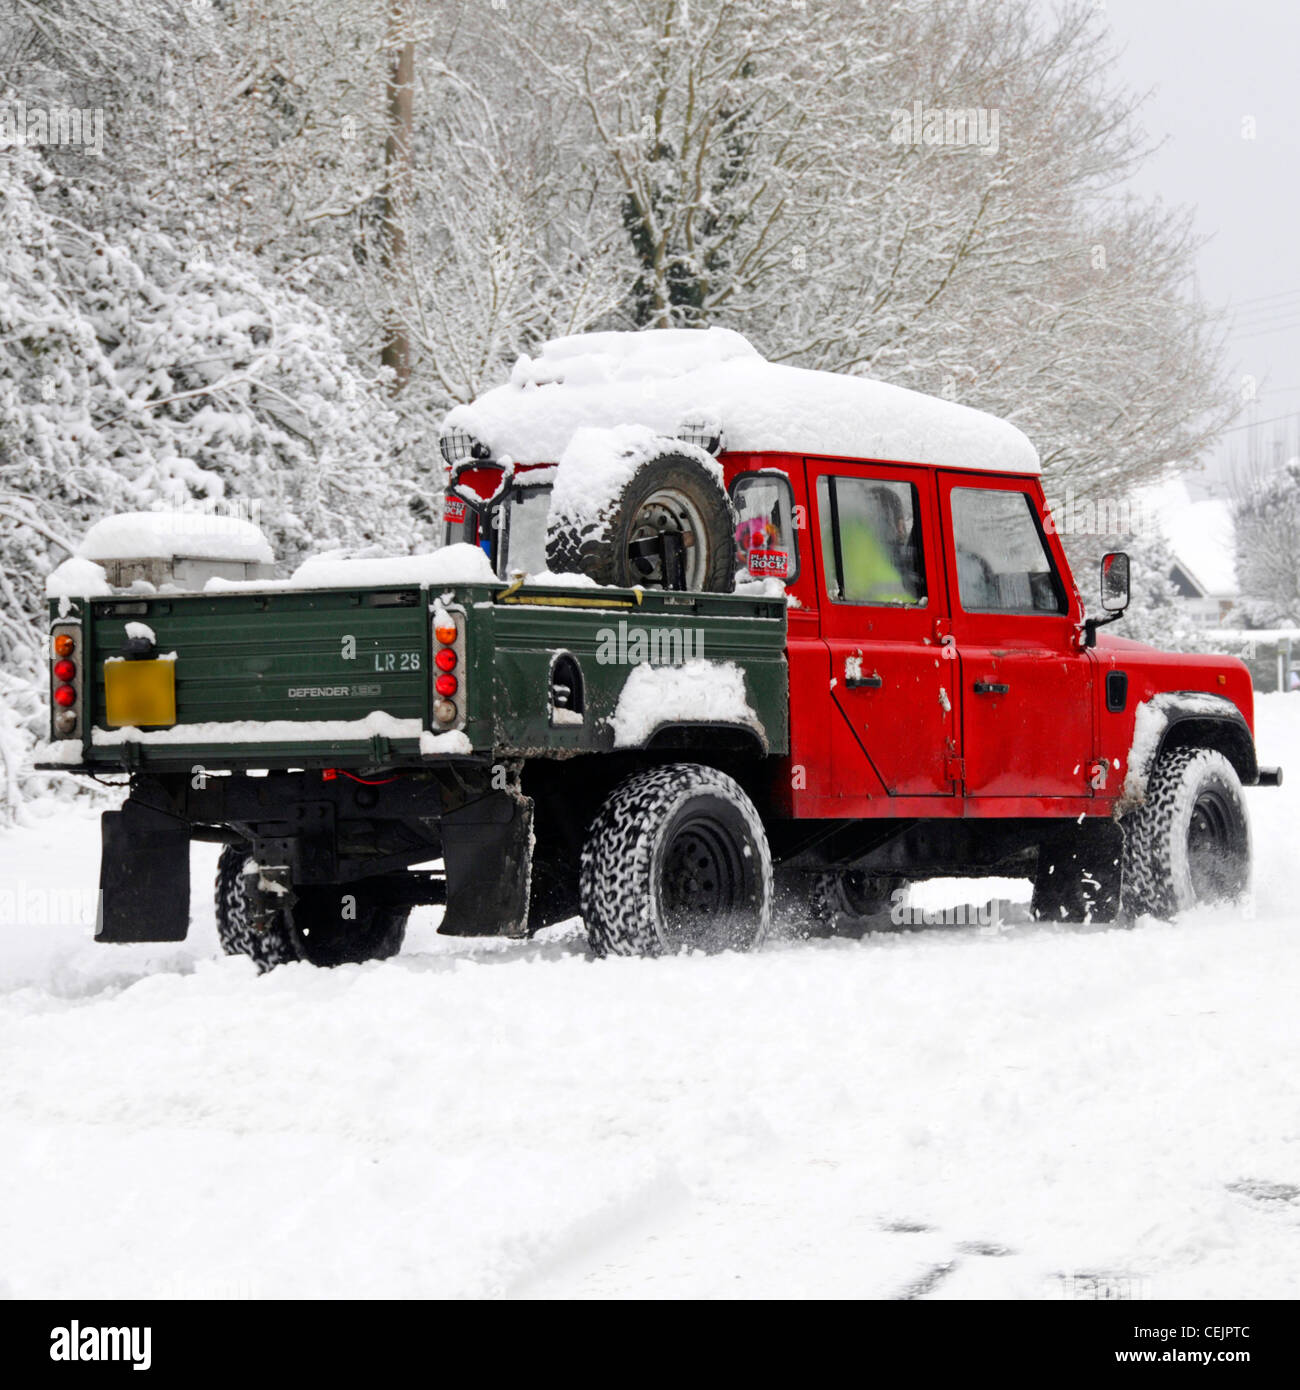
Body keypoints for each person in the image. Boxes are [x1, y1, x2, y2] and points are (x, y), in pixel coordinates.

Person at [837, 484, 920, 604]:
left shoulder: (847, 540)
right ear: (891, 520)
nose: (903, 530)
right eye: (901, 520)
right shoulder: (885, 557)